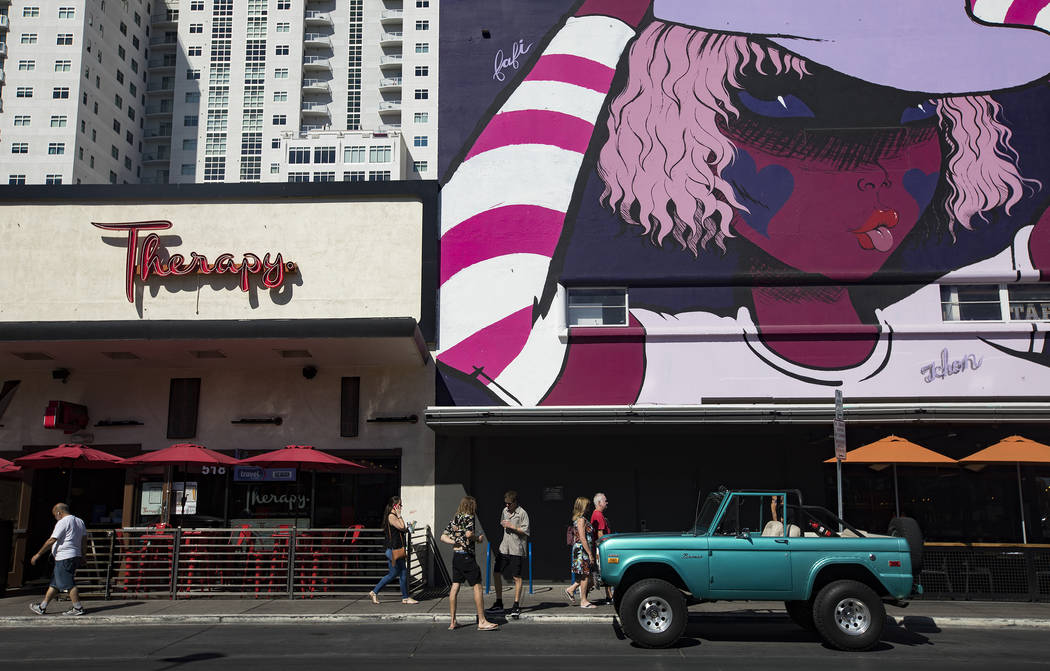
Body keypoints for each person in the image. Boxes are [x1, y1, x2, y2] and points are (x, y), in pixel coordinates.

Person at [436, 0, 1050, 408]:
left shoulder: (971, 332)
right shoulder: (655, 364)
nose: (876, 169)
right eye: (789, 108)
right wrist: (607, 18)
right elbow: (480, 320)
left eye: (916, 111)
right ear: (687, 132)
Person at [440, 496, 499, 631]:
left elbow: (443, 537)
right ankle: (482, 621)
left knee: (455, 587)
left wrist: (454, 542)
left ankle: (453, 621)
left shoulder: (456, 518)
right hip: (467, 556)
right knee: (477, 587)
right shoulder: (469, 517)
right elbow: (468, 534)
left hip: (456, 556)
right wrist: (477, 538)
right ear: (471, 506)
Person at [29, 503, 86, 616]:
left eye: (55, 515)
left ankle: (78, 608)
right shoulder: (80, 521)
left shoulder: (63, 522)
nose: (55, 517)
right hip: (74, 555)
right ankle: (42, 607)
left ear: (59, 513)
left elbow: (52, 540)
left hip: (65, 557)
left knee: (69, 584)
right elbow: (84, 540)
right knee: (54, 584)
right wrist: (83, 555)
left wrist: (38, 554)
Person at [486, 490, 530, 619]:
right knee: (496, 572)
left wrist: (512, 526)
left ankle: (516, 604)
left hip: (517, 549)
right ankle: (499, 602)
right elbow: (502, 522)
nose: (507, 506)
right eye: (505, 503)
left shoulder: (522, 513)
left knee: (517, 577)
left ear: (515, 502)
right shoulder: (504, 511)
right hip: (504, 548)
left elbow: (526, 531)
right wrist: (504, 524)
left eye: (509, 504)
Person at [369, 496, 419, 605]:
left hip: (394, 550)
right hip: (393, 550)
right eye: (400, 505)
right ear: (394, 506)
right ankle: (404, 598)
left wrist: (409, 528)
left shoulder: (394, 516)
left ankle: (375, 592)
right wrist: (400, 516)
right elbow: (401, 526)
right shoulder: (392, 517)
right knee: (400, 573)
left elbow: (402, 529)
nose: (401, 506)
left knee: (397, 573)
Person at [567, 496, 598, 609]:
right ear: (582, 507)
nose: (589, 508)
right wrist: (590, 554)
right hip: (582, 551)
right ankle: (583, 601)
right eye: (587, 506)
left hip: (581, 550)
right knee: (585, 575)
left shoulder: (580, 519)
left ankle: (572, 589)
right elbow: (583, 538)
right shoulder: (581, 520)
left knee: (586, 575)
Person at [590, 492, 613, 604]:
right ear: (599, 503)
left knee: (601, 572)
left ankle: (609, 596)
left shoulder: (597, 514)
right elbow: (600, 533)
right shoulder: (598, 515)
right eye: (605, 500)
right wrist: (604, 548)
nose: (607, 502)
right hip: (602, 548)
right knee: (604, 571)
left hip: (599, 547)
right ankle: (574, 589)